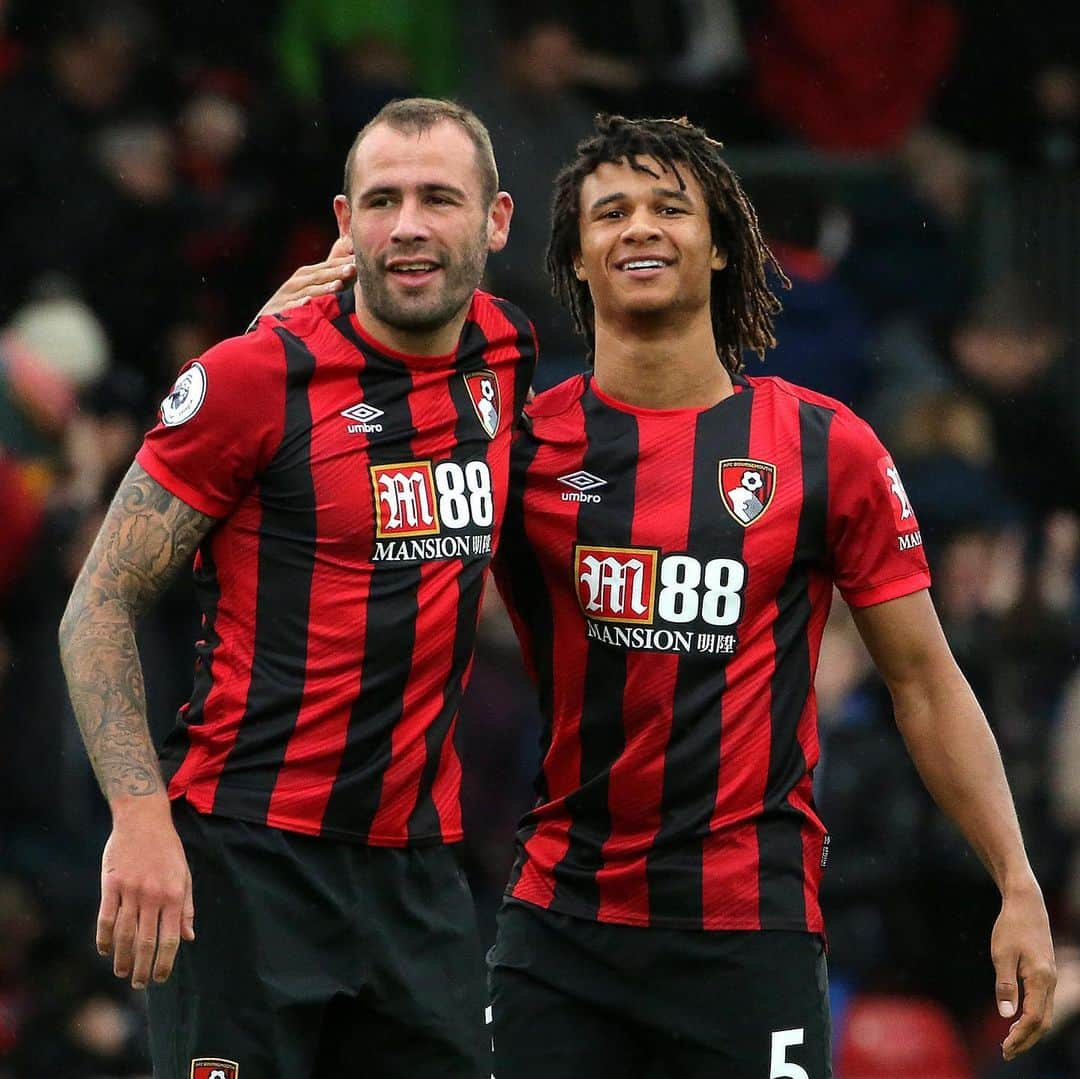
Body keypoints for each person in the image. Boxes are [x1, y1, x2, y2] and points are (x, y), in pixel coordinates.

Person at [483, 114, 1056, 1077]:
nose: (640, 228)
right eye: (610, 211)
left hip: (750, 933)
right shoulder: (521, 447)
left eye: (672, 207)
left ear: (719, 247)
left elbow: (923, 678)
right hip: (559, 929)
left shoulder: (827, 447)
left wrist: (1017, 879)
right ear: (575, 258)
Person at [58, 97, 535, 1079]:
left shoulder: (507, 352)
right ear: (344, 222)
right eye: (383, 199)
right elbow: (97, 602)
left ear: (495, 220)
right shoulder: (251, 378)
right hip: (243, 865)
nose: (407, 224)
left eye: (439, 198)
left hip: (418, 872)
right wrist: (140, 817)